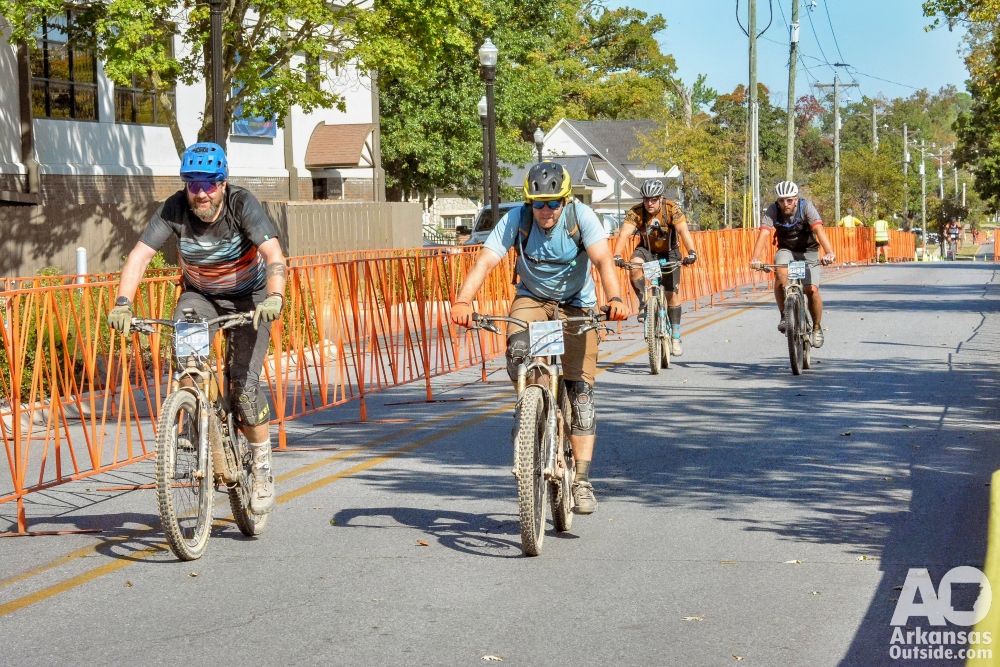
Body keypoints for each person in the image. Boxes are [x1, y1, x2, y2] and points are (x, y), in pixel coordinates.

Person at [107, 142, 286, 515]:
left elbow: (273, 255)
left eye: (209, 184)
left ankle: (263, 467)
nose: (201, 192)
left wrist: (274, 298)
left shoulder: (241, 204)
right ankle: (192, 418)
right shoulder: (175, 208)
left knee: (245, 389)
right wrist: (122, 303)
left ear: (223, 184)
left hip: (249, 299)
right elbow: (139, 256)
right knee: (188, 363)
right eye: (193, 184)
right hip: (199, 295)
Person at [450, 161, 628, 515]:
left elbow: (604, 262)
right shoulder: (518, 219)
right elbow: (485, 261)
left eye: (553, 203)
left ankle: (582, 481)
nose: (546, 211)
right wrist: (463, 300)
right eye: (539, 203)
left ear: (565, 200)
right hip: (532, 299)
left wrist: (616, 299)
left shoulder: (582, 217)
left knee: (581, 394)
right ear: (529, 202)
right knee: (519, 352)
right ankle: (532, 414)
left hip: (577, 305)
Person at [610, 178, 698, 356]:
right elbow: (625, 234)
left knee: (671, 295)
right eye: (646, 199)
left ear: (661, 198)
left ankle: (675, 336)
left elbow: (683, 231)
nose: (649, 203)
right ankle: (644, 302)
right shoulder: (636, 212)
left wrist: (692, 252)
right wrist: (617, 255)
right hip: (646, 251)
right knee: (634, 266)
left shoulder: (672, 209)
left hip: (669, 253)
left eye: (654, 199)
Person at [749, 181, 837, 348]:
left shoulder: (807, 207)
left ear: (796, 199)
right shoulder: (773, 210)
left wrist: (829, 252)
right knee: (781, 277)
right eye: (782, 201)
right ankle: (785, 315)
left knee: (811, 290)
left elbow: (819, 231)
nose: (785, 204)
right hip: (787, 250)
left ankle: (817, 327)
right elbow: (764, 234)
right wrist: (755, 258)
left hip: (808, 251)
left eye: (789, 200)